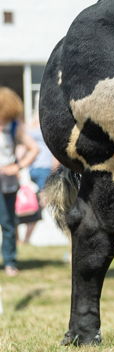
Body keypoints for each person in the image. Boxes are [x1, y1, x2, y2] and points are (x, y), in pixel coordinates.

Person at [0, 87, 39, 276]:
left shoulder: (14, 127)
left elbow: (34, 149)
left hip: (7, 183)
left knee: (8, 223)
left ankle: (9, 262)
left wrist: (18, 166)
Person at [19, 114, 59, 244]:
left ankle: (26, 234)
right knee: (41, 201)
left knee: (40, 201)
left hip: (37, 168)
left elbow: (24, 149)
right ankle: (31, 216)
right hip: (41, 168)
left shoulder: (30, 129)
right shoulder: (42, 128)